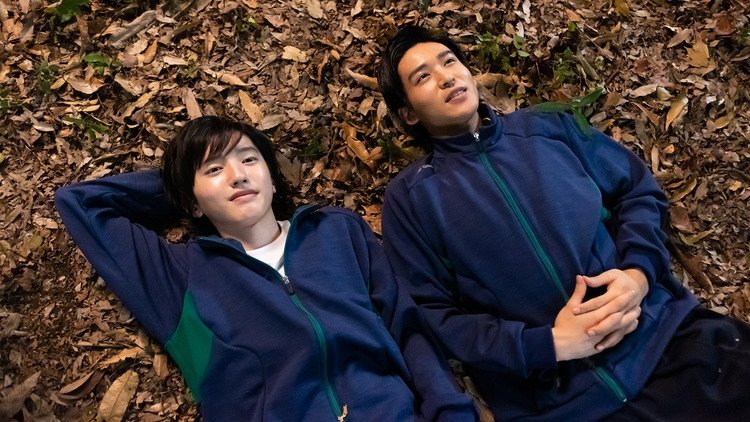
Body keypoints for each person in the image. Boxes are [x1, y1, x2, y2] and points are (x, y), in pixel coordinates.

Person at [377, 25, 750, 421]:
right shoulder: (410, 200)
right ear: (408, 114)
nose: (446, 77)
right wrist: (549, 345)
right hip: (562, 402)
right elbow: (433, 313)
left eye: (450, 61)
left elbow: (637, 192)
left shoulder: (548, 126)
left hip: (664, 338)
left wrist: (639, 275)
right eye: (423, 77)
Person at [55, 116, 477, 421]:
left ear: (273, 179)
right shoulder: (180, 278)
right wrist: (180, 179)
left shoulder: (337, 231)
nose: (237, 176)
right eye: (215, 169)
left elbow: (407, 327)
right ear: (191, 203)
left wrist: (451, 410)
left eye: (249, 160)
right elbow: (82, 203)